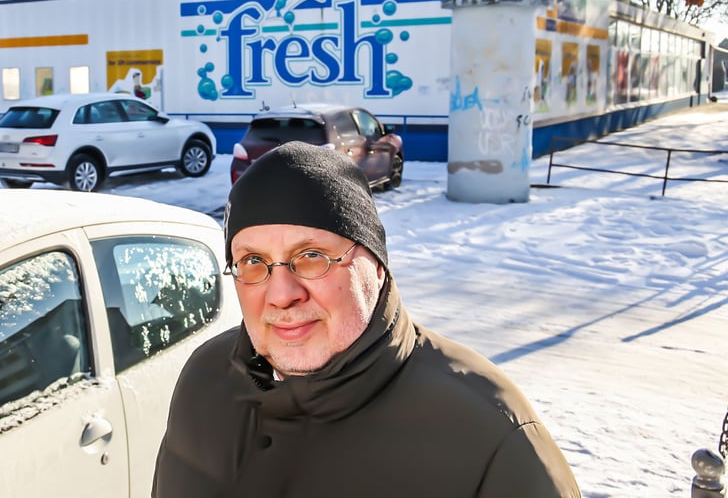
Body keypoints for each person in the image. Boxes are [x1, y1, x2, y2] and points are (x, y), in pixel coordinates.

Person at [152, 141, 581, 497]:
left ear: (376, 264)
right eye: (253, 261)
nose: (281, 295)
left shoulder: (486, 432)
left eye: (312, 256)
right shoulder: (205, 380)